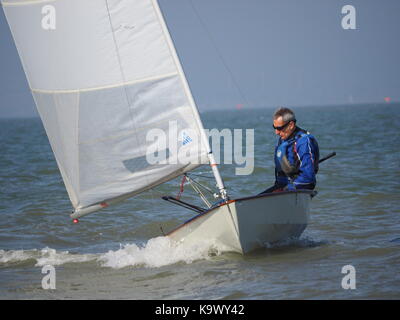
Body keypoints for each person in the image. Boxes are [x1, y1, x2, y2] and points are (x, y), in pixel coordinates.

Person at [260, 107, 319, 193]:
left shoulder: (303, 142)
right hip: (283, 186)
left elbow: (308, 179)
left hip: (300, 188)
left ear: (291, 125)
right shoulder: (283, 139)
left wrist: (287, 189)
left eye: (279, 128)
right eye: (274, 127)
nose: (276, 132)